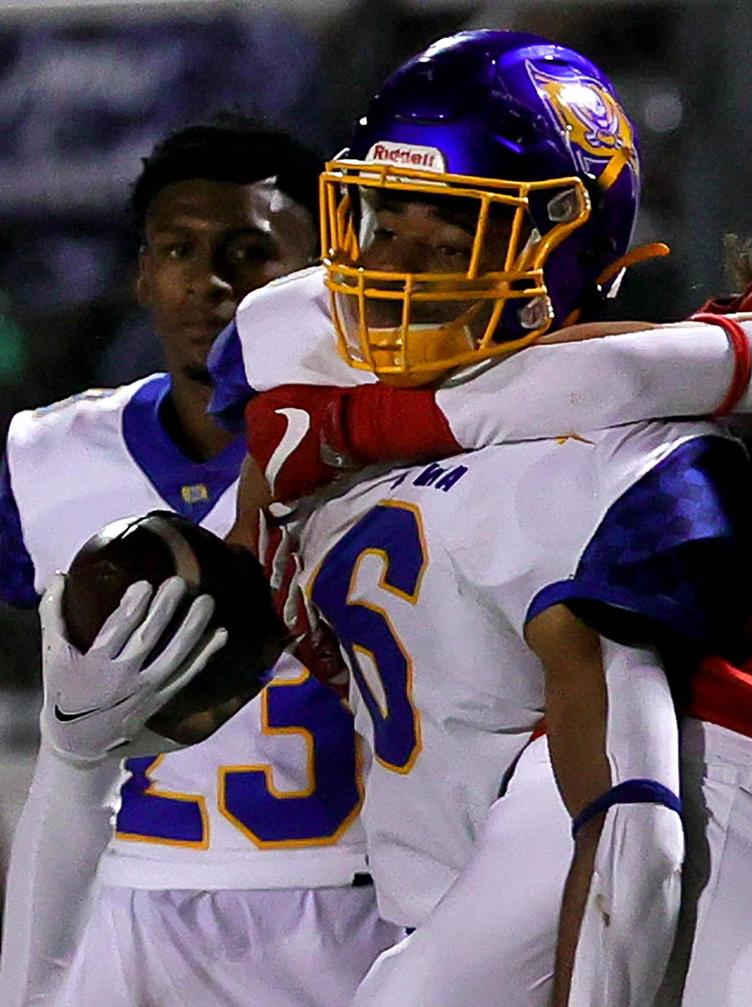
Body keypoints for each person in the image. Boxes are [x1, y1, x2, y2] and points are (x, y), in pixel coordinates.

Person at [228, 57, 752, 1004]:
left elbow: (633, 372)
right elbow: (579, 364)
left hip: (694, 780)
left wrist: (346, 426)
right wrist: (319, 420)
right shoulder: (718, 336)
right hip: (702, 763)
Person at [212, 31, 752, 1007]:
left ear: (568, 245)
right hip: (392, 917)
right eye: (383, 228)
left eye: (452, 240)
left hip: (552, 944)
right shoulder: (315, 362)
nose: (396, 272)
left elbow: (633, 837)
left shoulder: (616, 458)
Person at [0, 120, 399, 1007]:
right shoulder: (47, 453)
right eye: (178, 249)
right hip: (128, 904)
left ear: (325, 266)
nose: (210, 283)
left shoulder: (398, 445)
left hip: (358, 912)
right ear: (143, 273)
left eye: (250, 250)